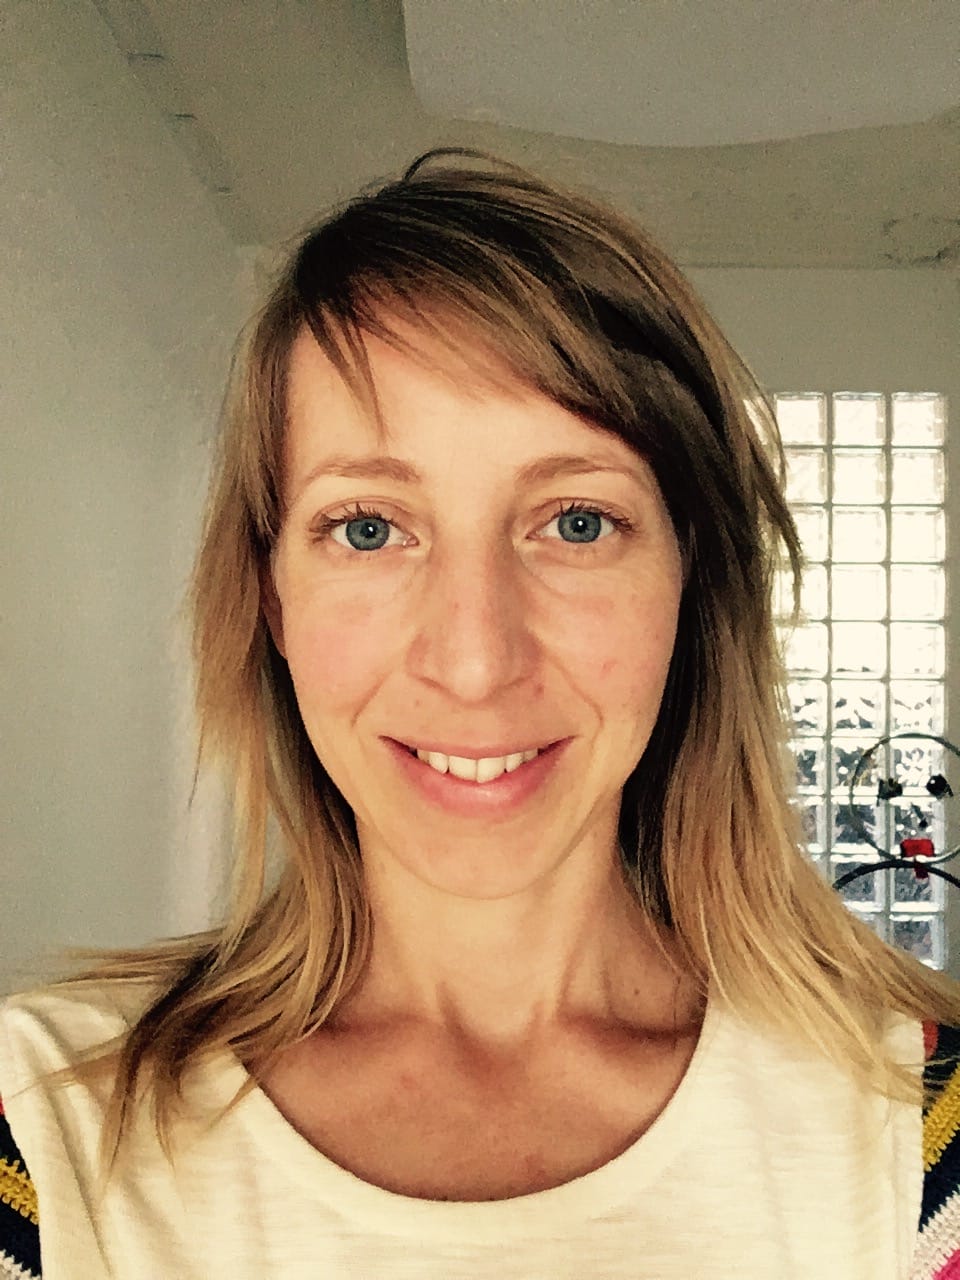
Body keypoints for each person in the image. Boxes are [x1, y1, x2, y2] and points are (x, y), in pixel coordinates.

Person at [1, 149, 959, 1279]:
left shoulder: (919, 1141)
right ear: (269, 594)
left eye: (577, 523)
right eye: (368, 528)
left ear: (690, 580)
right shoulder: (45, 1134)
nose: (473, 661)